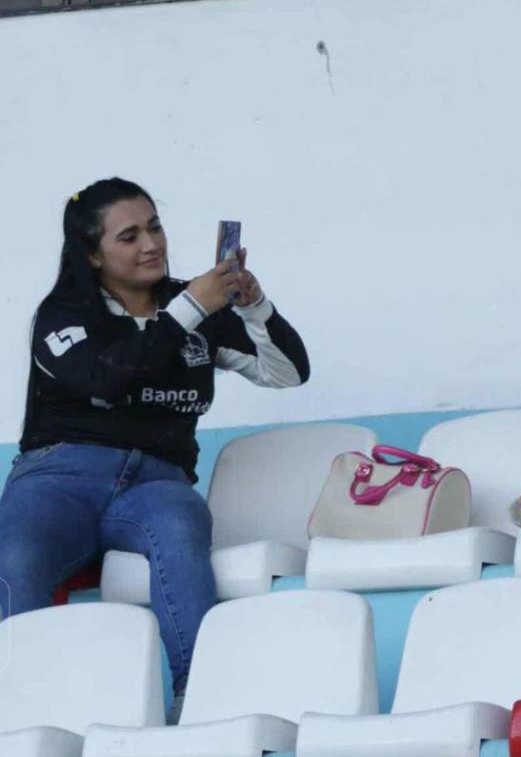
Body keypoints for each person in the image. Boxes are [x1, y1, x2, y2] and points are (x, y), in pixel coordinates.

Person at [0, 178, 310, 715]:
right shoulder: (63, 314)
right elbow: (106, 378)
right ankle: (20, 703)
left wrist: (254, 306)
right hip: (59, 477)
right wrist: (191, 308)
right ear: (93, 254)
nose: (151, 244)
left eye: (155, 226)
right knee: (16, 554)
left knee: (179, 527)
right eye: (129, 236)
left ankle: (197, 697)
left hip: (156, 481)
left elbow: (287, 374)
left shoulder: (197, 309)